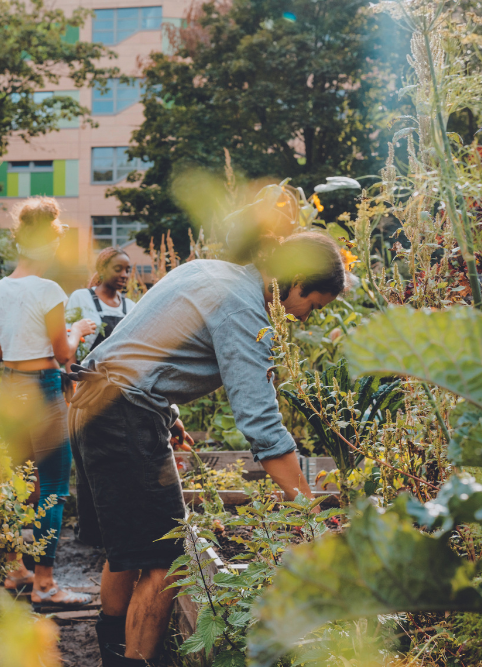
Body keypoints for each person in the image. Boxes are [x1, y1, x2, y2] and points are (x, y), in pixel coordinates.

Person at [68, 231, 347, 666]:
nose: (307, 318)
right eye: (313, 306)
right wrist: (310, 516)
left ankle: (112, 655)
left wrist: (169, 412)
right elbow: (262, 426)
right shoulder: (245, 311)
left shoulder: (213, 271)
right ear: (295, 279)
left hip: (98, 399)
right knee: (167, 558)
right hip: (124, 415)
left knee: (126, 551)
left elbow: (141, 338)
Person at [0, 196, 97, 609]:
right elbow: (64, 354)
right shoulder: (49, 290)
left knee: (17, 486)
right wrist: (78, 330)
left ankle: (16, 569)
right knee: (51, 489)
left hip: (9, 388)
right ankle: (45, 584)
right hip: (43, 389)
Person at [66, 247, 136, 357]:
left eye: (127, 270)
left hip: (118, 372)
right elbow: (68, 336)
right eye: (118, 269)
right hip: (83, 370)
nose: (124, 275)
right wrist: (71, 372)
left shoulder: (131, 307)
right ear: (102, 269)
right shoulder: (81, 297)